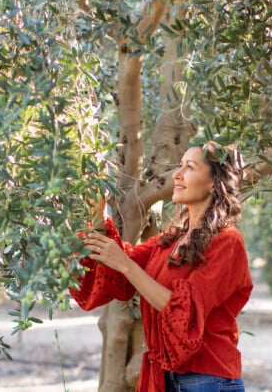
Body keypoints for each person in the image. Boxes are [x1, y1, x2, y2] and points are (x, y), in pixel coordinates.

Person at [69, 141, 253, 392]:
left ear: (213, 182)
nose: (177, 175)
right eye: (180, 166)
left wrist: (124, 264)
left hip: (209, 380)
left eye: (189, 167)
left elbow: (183, 312)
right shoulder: (171, 240)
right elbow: (123, 265)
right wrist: (98, 217)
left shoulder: (227, 242)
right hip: (166, 378)